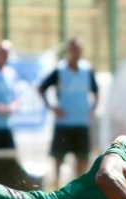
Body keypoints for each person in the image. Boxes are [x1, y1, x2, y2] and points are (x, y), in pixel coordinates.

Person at [38, 38, 99, 188]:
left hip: (81, 122)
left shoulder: (87, 69)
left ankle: (78, 188)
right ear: (69, 51)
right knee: (58, 157)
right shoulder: (60, 70)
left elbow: (96, 91)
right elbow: (41, 88)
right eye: (73, 49)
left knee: (83, 158)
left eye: (78, 49)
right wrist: (52, 107)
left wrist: (92, 109)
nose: (76, 52)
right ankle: (57, 187)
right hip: (64, 123)